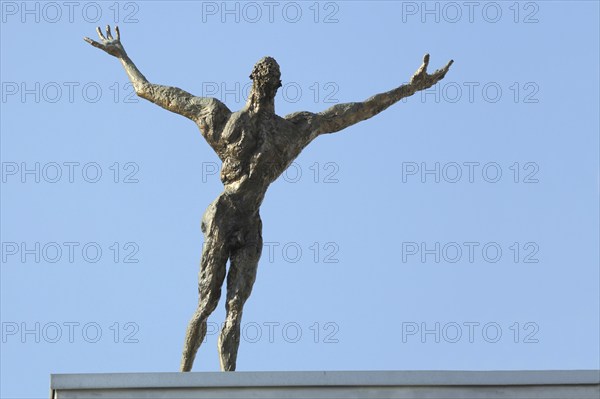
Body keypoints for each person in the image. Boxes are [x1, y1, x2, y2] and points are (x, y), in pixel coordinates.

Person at [84, 25, 453, 372]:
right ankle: (181, 379)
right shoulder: (230, 120)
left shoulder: (288, 129)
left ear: (271, 86)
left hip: (250, 220)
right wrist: (123, 57)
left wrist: (408, 89)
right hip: (225, 214)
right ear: (261, 83)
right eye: (263, 81)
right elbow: (153, 92)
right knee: (207, 303)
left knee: (233, 309)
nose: (263, 88)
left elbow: (352, 112)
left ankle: (227, 383)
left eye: (267, 82)